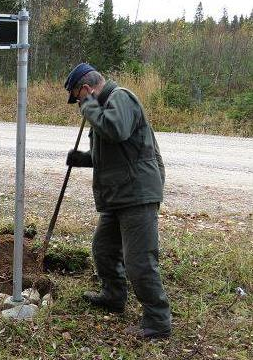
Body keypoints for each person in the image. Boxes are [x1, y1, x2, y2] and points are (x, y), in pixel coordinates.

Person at [64, 63, 171, 339]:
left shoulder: (121, 97)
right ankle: (113, 296)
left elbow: (117, 130)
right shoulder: (106, 106)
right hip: (120, 195)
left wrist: (89, 107)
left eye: (78, 96)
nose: (78, 103)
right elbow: (116, 150)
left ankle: (158, 321)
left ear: (86, 89)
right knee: (104, 249)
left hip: (136, 194)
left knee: (139, 261)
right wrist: (84, 159)